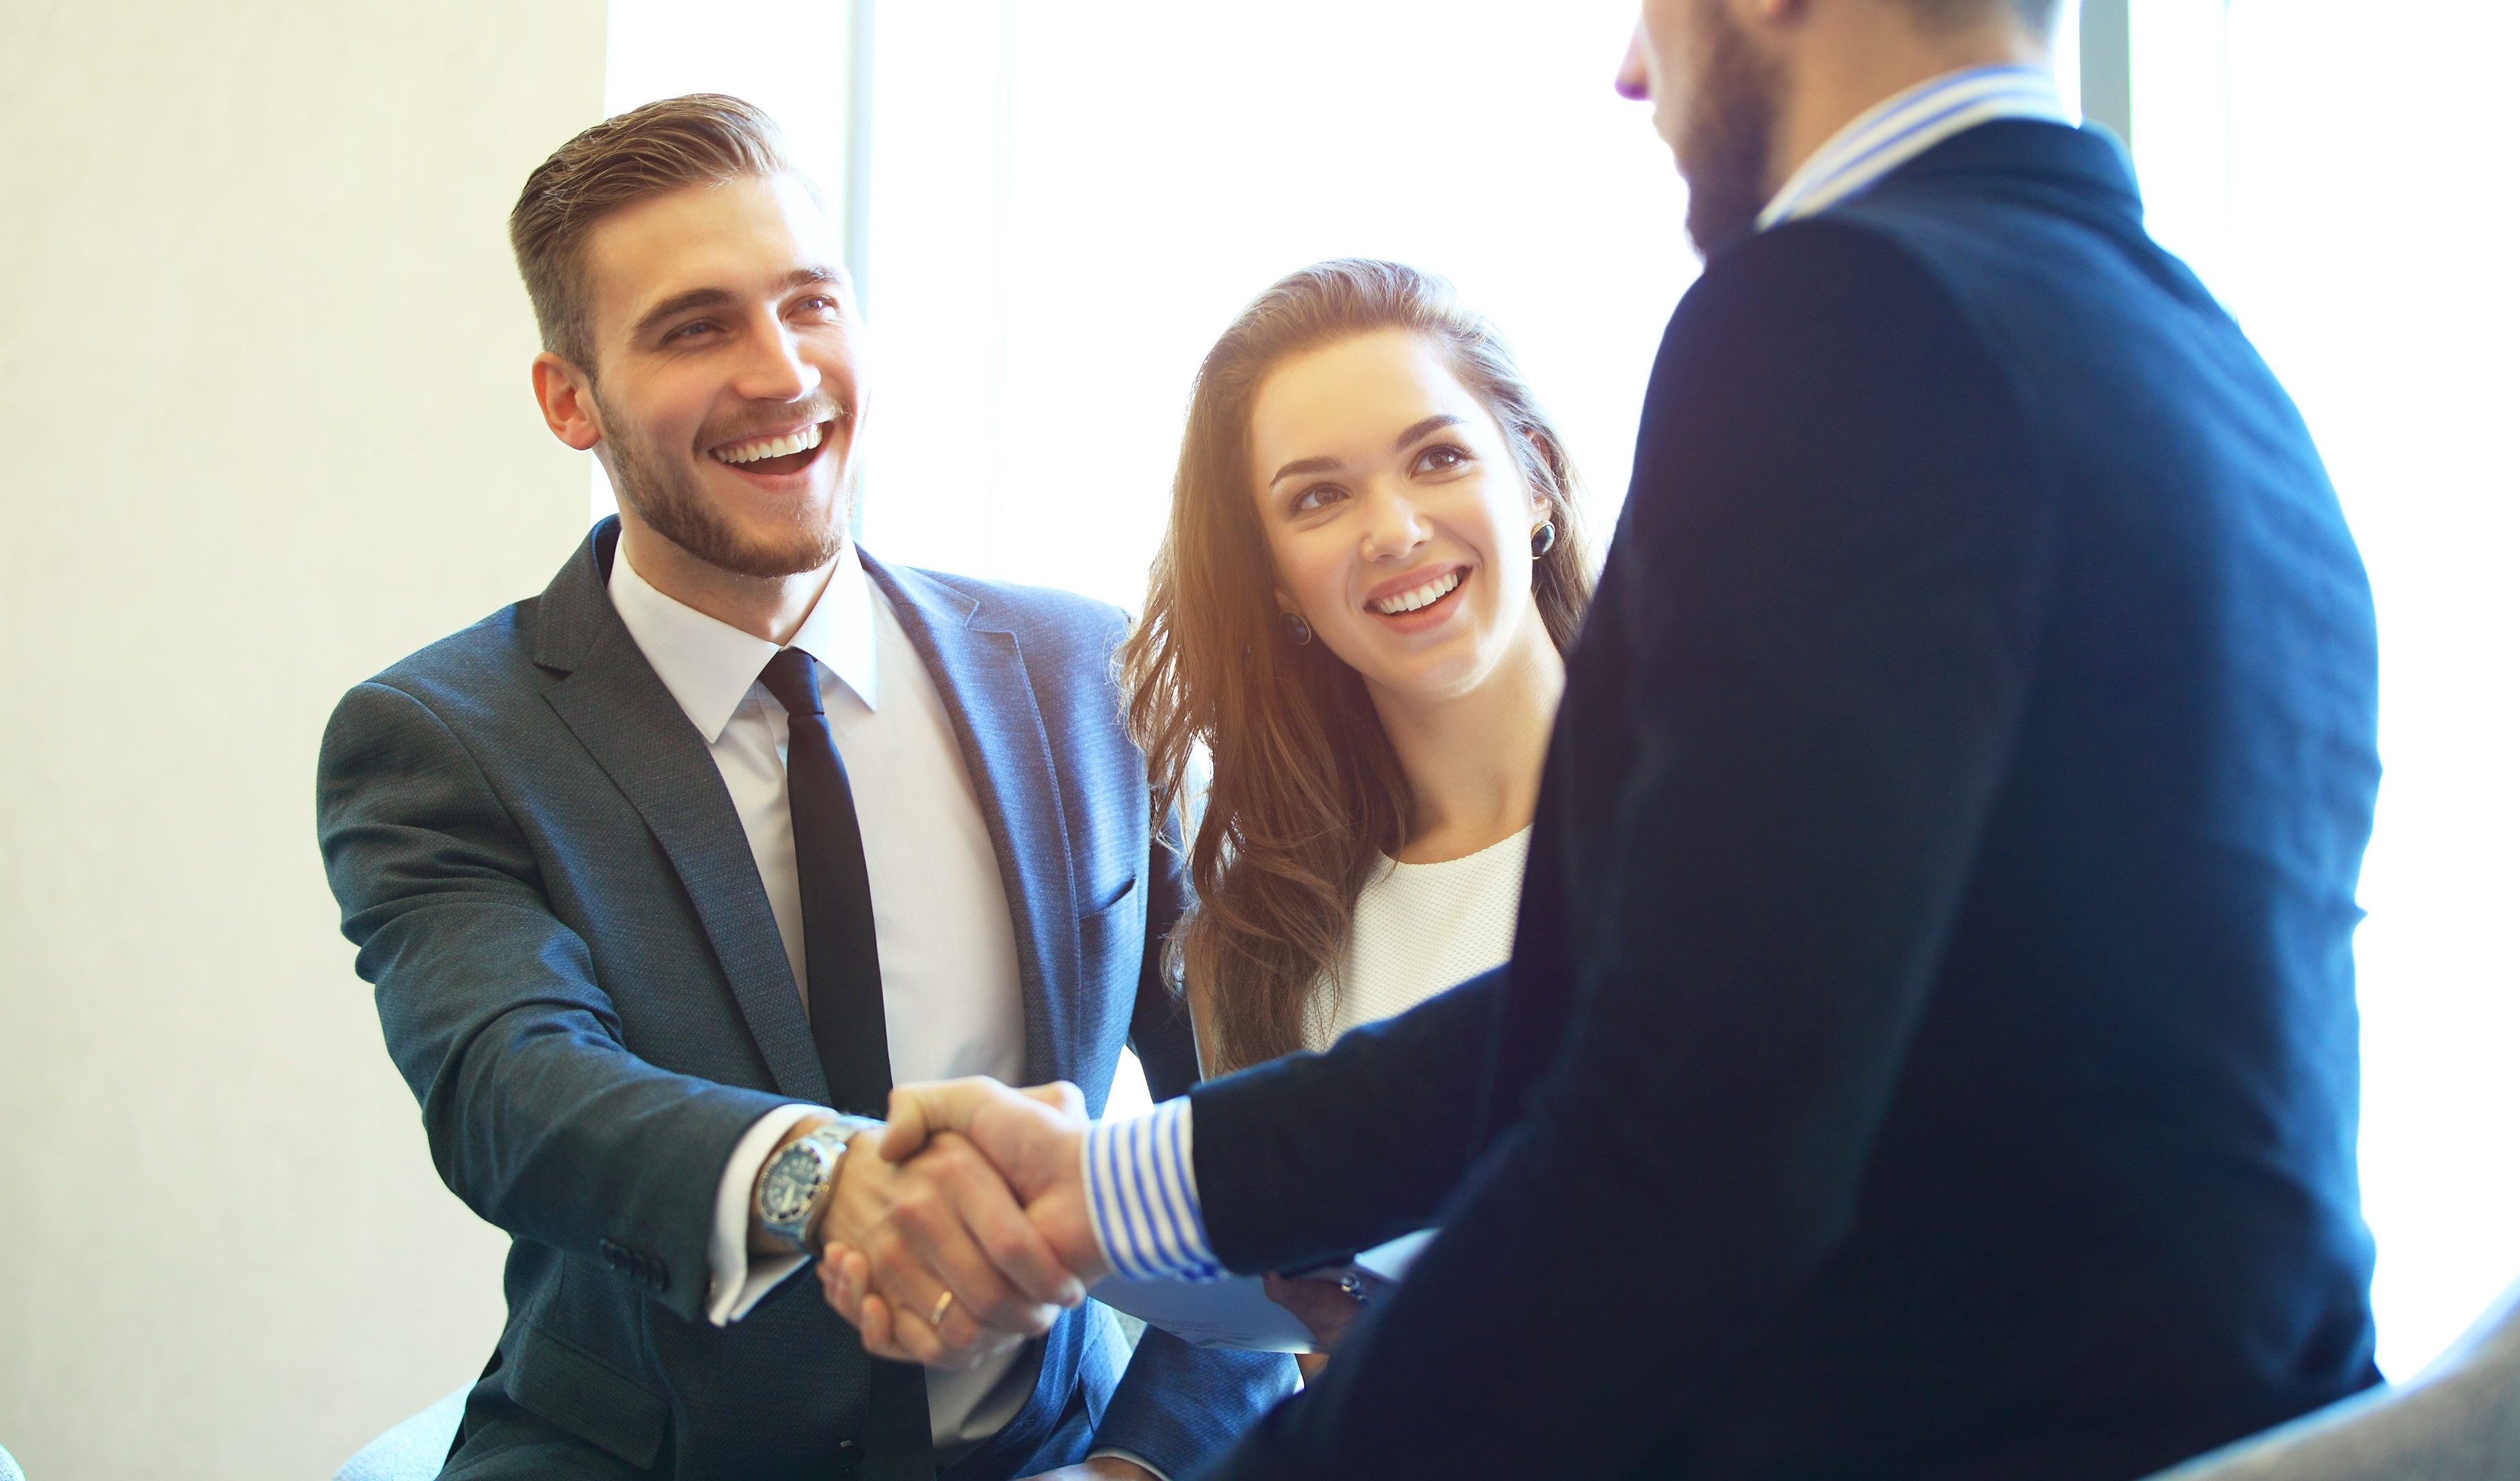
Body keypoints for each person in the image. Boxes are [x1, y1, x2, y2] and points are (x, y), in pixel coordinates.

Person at [826, 0, 2390, 1476]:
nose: (1635, 75)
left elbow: (1684, 1139)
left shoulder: (1837, 316)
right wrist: (1104, 1187)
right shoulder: (2204, 361)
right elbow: (1665, 1004)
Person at [313, 94, 1291, 1481]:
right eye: (694, 326)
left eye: (809, 303)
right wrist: (830, 1185)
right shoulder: (442, 738)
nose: (780, 373)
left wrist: (1139, 1465)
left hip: (1059, 1452)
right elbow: (513, 1088)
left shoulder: (1086, 674)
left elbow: (1256, 1124)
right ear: (567, 398)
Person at [1114, 259, 1596, 1358]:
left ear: (1535, 484)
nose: (1393, 530)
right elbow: (1320, 1359)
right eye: (1319, 497)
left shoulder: (1724, 817)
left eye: (1437, 458)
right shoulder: (1265, 945)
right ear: (1276, 579)